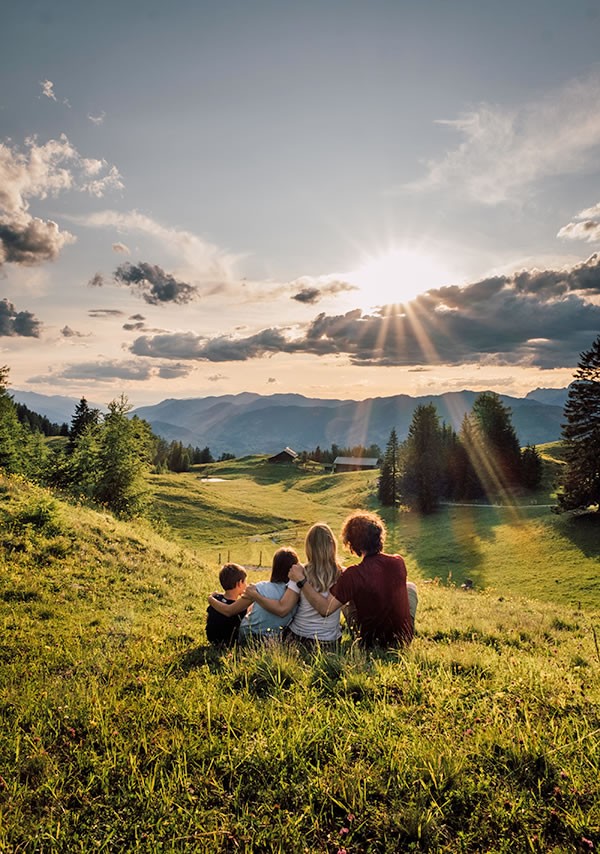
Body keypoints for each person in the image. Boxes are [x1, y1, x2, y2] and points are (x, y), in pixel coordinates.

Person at [290, 510, 417, 648]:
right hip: (403, 639)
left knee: (346, 597)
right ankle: (402, 628)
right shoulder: (398, 561)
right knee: (410, 588)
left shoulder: (353, 574)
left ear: (352, 543)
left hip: (371, 642)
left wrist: (302, 581)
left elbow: (325, 609)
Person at [244, 522, 342, 649]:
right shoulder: (343, 575)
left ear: (309, 547)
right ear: (333, 545)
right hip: (330, 643)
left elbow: (282, 609)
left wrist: (256, 596)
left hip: (299, 638)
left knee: (266, 642)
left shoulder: (300, 572)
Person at [207, 548, 299, 642]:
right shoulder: (297, 594)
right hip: (276, 639)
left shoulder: (259, 588)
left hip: (248, 636)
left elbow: (230, 610)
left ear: (275, 566)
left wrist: (211, 599)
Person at [205, 563, 248, 646]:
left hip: (212, 638)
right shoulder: (239, 607)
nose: (246, 584)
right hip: (230, 642)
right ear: (239, 583)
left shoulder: (216, 599)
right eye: (245, 581)